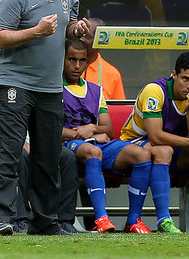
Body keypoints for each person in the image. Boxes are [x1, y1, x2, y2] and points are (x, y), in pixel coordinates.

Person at [0, 0, 91, 236]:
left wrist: (76, 28)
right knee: (9, 151)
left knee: (48, 155)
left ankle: (45, 222)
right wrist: (35, 31)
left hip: (50, 88)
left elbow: (67, 26)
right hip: (14, 84)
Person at [61, 39, 156, 233]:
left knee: (142, 155)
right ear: (62, 59)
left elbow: (109, 130)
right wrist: (79, 133)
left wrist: (91, 128)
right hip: (67, 146)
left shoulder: (95, 90)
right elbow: (47, 128)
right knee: (93, 150)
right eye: (71, 60)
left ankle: (133, 220)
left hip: (95, 143)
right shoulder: (51, 88)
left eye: (82, 60)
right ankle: (101, 219)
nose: (77, 65)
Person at [118, 51, 189, 233]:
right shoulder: (155, 91)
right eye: (185, 79)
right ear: (174, 74)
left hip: (169, 149)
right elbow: (155, 136)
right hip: (134, 143)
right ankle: (164, 220)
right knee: (165, 150)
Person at [0, 65, 81, 234]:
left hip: (34, 133)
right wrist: (25, 139)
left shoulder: (45, 73)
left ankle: (63, 220)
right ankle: (20, 218)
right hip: (7, 133)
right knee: (20, 154)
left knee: (66, 156)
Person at [81, 18, 125, 100]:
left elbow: (119, 109)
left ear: (99, 41)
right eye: (80, 35)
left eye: (87, 36)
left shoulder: (112, 74)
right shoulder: (65, 66)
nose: (81, 39)